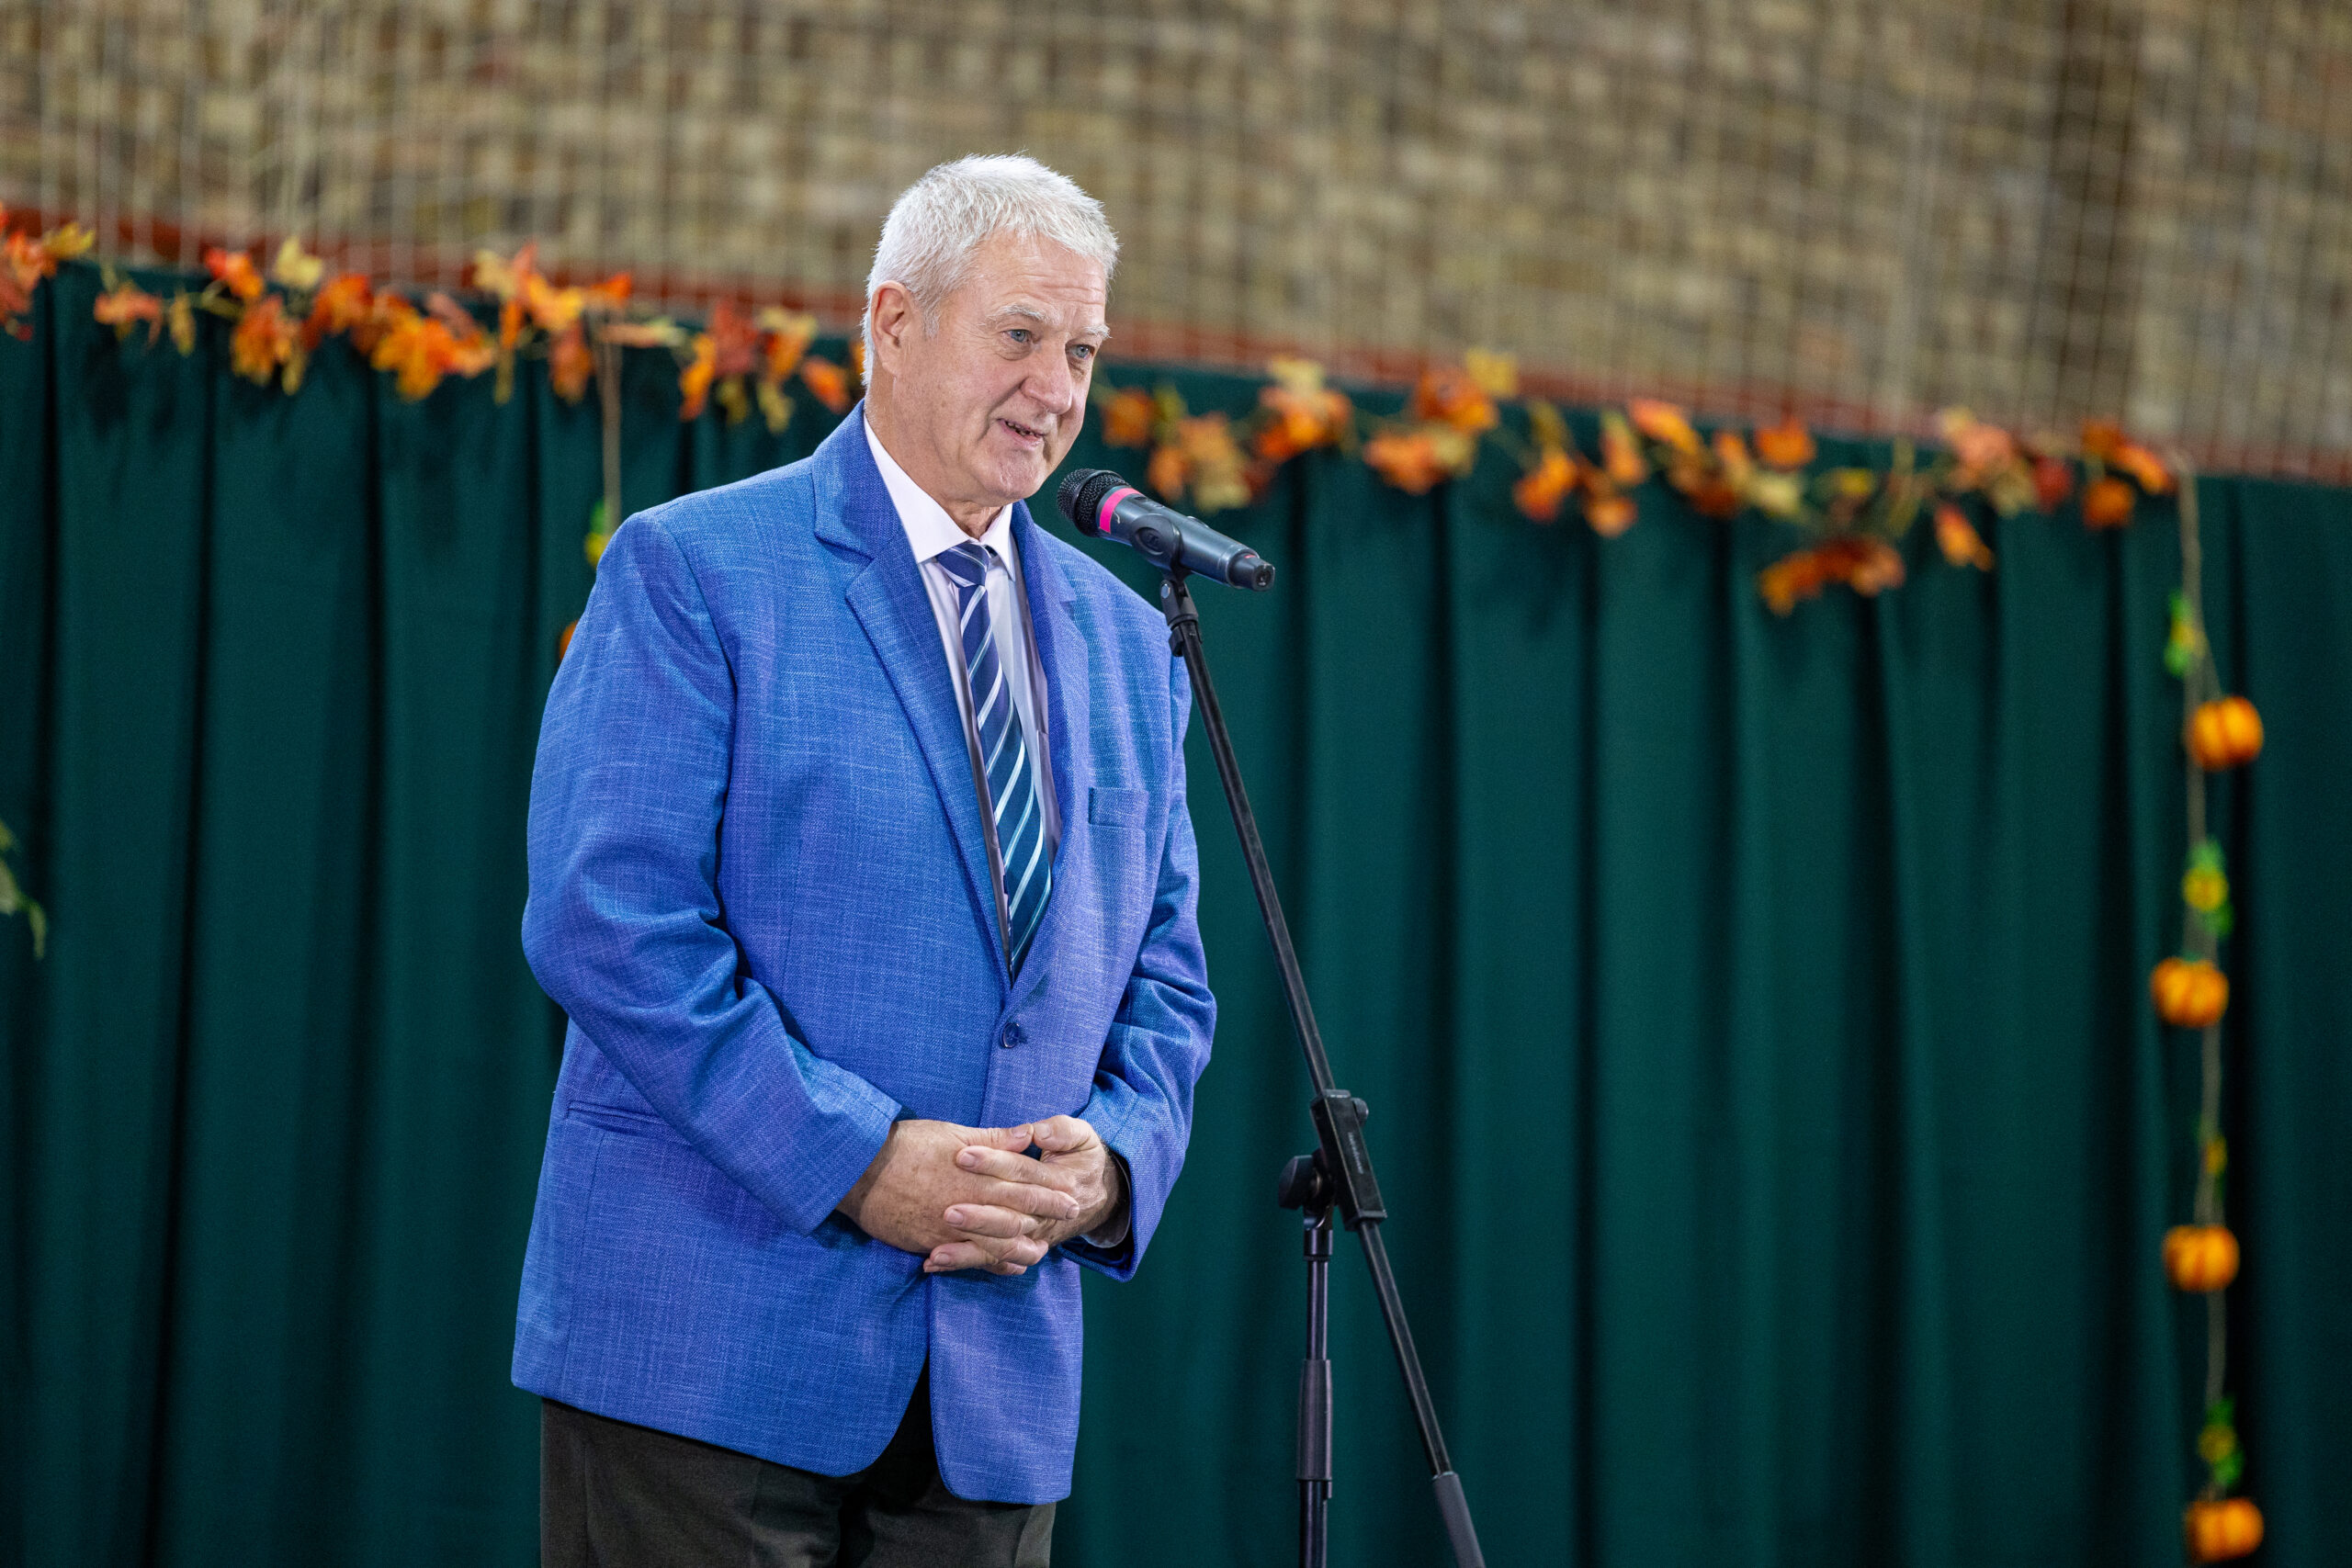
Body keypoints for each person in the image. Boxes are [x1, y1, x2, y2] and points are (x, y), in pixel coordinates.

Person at [514, 154, 1216, 1566]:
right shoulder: (696, 566)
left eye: (1082, 351)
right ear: (894, 322)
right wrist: (856, 1159)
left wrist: (1110, 1168)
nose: (1056, 388)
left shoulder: (1135, 643)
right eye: (1019, 335)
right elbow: (611, 920)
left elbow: (1168, 979)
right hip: (708, 1350)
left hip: (991, 1391)